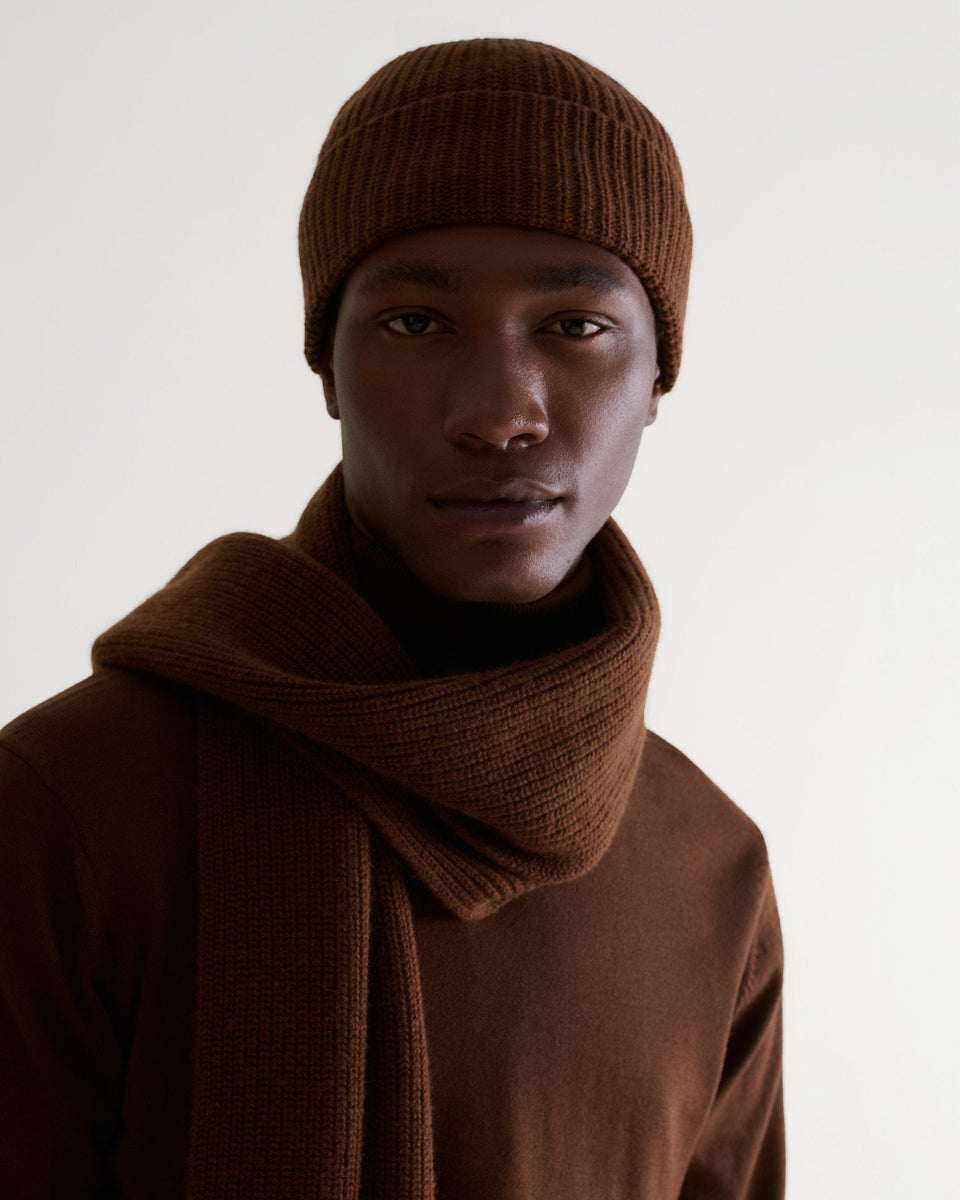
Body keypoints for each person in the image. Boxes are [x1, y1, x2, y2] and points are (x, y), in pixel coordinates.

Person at [0, 37, 785, 1199]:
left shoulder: (710, 865)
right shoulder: (75, 804)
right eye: (417, 322)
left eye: (575, 328)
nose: (498, 410)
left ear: (659, 375)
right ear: (325, 365)